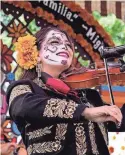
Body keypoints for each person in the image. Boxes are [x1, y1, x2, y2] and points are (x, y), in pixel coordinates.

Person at [6, 26, 125, 155]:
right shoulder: (25, 88)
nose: (64, 47)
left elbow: (119, 125)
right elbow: (23, 107)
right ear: (36, 54)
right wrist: (85, 111)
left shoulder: (89, 96)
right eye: (55, 42)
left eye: (68, 45)